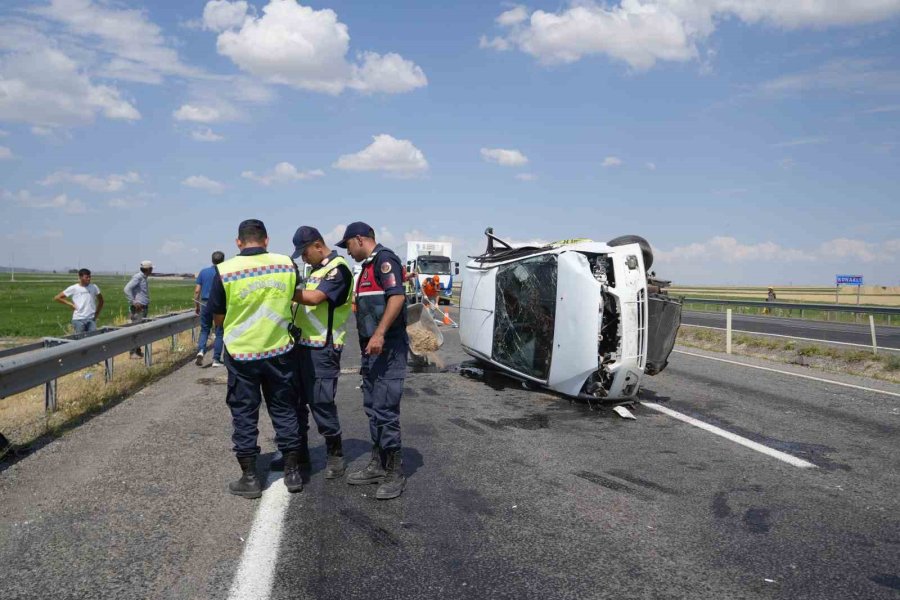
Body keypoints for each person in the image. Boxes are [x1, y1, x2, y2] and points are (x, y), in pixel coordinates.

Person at [208, 219, 305, 499]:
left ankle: (250, 477)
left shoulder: (224, 271)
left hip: (242, 354)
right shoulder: (286, 264)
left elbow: (218, 316)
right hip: (279, 350)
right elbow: (293, 297)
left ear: (238, 242)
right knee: (284, 409)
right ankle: (293, 472)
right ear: (266, 240)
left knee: (244, 412)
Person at [337, 222, 409, 500]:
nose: (348, 252)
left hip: (388, 348)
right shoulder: (366, 267)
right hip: (372, 351)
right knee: (372, 406)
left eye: (348, 246)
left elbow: (397, 298)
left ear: (359, 239)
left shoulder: (384, 260)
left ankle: (395, 472)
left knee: (385, 409)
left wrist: (379, 333)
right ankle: (378, 464)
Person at [282, 226, 353, 480]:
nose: (303, 258)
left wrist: (281, 290)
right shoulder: (315, 270)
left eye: (305, 252)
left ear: (318, 246)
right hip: (302, 346)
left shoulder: (338, 269)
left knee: (321, 403)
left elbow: (315, 299)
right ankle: (298, 455)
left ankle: (335, 455)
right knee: (297, 403)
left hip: (323, 348)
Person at [194, 251, 225, 367]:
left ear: (212, 260)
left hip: (205, 303)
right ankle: (216, 359)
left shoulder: (203, 272)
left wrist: (197, 306)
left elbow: (197, 291)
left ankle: (201, 351)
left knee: (204, 329)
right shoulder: (224, 272)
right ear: (223, 260)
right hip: (219, 304)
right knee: (219, 331)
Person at [54, 268, 104, 333]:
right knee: (80, 340)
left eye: (89, 277)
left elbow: (101, 301)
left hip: (91, 319)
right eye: (86, 277)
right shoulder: (74, 288)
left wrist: (97, 313)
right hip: (78, 320)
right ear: (80, 277)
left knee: (93, 339)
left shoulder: (94, 287)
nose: (89, 279)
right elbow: (57, 297)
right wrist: (70, 304)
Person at [124, 260, 153, 358]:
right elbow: (127, 289)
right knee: (135, 329)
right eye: (151, 268)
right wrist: (133, 302)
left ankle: (137, 351)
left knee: (140, 330)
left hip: (142, 307)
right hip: (138, 308)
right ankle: (133, 353)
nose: (152, 270)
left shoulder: (143, 278)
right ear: (148, 269)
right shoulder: (138, 277)